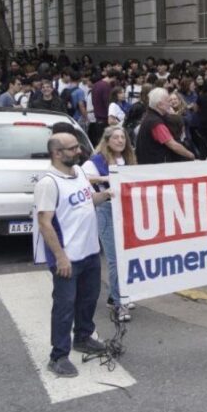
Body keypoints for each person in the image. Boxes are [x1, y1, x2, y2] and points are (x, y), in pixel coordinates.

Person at [33, 133, 112, 378]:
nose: (78, 151)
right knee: (64, 306)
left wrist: (107, 194)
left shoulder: (78, 173)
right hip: (68, 257)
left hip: (89, 253)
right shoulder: (48, 183)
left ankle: (84, 337)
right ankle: (58, 356)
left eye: (77, 146)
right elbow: (45, 223)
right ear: (57, 153)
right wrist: (60, 257)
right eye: (72, 148)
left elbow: (89, 201)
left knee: (88, 299)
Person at [82, 126, 136, 322]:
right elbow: (82, 177)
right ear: (107, 141)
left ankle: (121, 292)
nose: (120, 140)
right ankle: (116, 300)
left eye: (123, 137)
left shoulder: (128, 159)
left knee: (127, 256)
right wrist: (106, 178)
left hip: (127, 210)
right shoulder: (96, 161)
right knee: (114, 258)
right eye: (116, 137)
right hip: (106, 210)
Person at [135, 87, 196, 164]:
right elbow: (173, 145)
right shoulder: (156, 123)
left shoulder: (150, 116)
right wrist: (191, 155)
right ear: (160, 105)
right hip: (153, 164)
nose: (170, 104)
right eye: (168, 101)